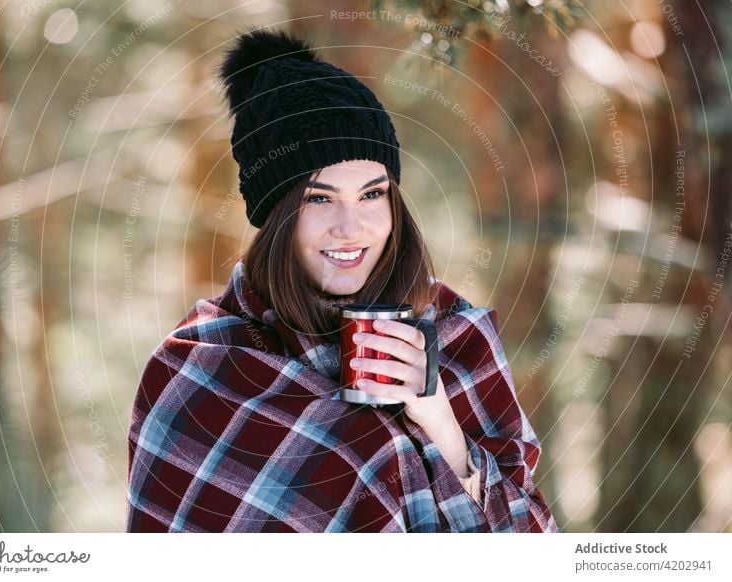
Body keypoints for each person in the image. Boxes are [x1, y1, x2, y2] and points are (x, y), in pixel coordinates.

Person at [126, 27, 557, 533]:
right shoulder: (198, 371)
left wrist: (443, 430)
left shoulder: (456, 340)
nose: (351, 228)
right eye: (319, 198)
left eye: (372, 195)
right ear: (276, 214)